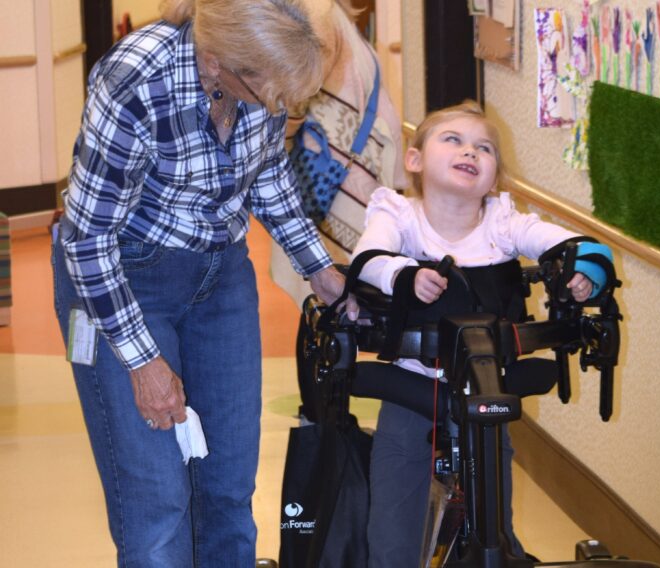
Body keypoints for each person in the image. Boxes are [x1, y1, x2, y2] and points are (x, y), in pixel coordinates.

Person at [51, 0, 348, 565]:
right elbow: (86, 241)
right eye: (272, 96)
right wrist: (144, 365)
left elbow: (266, 175)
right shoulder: (138, 76)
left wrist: (321, 273)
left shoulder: (260, 75)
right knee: (157, 498)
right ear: (216, 64)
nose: (280, 109)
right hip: (119, 277)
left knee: (229, 486)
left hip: (220, 276)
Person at [352, 101, 611, 566]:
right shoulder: (400, 216)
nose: (469, 150)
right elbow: (366, 259)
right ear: (415, 160)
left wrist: (584, 272)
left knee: (493, 514)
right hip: (412, 385)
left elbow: (571, 245)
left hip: (485, 386)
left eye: (484, 147)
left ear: (495, 177)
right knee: (394, 517)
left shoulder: (503, 223)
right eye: (452, 139)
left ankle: (493, 552)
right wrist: (403, 275)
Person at [269, 0, 407, 421]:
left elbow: (299, 89)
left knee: (326, 300)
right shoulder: (326, 11)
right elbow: (303, 87)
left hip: (340, 175)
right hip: (342, 173)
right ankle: (324, 415)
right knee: (327, 298)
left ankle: (325, 416)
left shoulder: (323, 12)